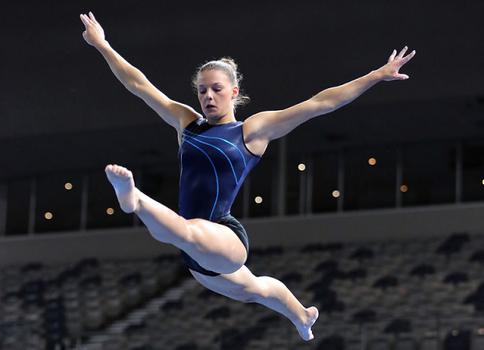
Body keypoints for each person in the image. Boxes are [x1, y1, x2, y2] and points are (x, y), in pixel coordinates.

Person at [79, 11, 415, 341]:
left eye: (216, 89)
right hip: (198, 261)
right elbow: (139, 84)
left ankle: (134, 199)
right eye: (202, 91)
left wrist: (374, 75)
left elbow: (320, 103)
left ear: (234, 92)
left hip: (225, 238)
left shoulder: (251, 132)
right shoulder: (187, 123)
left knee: (187, 232)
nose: (208, 96)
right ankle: (303, 317)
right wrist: (102, 45)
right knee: (254, 289)